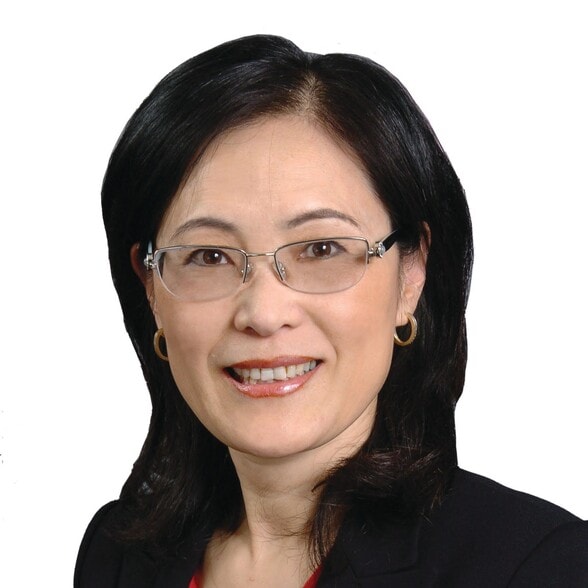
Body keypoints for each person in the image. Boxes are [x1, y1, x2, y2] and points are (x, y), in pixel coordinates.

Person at [74, 34, 588, 587]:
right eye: (209, 256)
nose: (263, 313)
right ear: (151, 289)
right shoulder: (118, 554)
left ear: (411, 274)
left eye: (322, 249)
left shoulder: (540, 566)